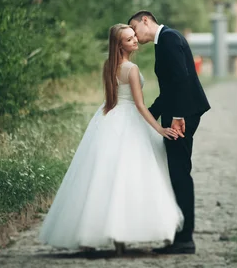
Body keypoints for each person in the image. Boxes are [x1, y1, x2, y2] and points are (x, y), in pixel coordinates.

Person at [38, 24, 183, 255]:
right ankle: (121, 237)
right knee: (131, 175)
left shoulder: (109, 66)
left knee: (103, 175)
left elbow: (112, 98)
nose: (135, 40)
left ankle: (96, 233)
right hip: (128, 118)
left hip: (108, 117)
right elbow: (139, 105)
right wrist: (159, 129)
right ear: (120, 45)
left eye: (134, 36)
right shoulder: (132, 69)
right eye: (129, 39)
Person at [128, 11, 211, 255]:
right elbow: (169, 88)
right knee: (176, 172)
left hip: (182, 118)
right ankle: (179, 234)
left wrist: (177, 116)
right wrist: (149, 114)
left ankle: (185, 239)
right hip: (180, 113)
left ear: (146, 20)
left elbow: (181, 80)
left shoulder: (169, 39)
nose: (134, 34)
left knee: (179, 174)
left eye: (134, 28)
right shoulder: (164, 40)